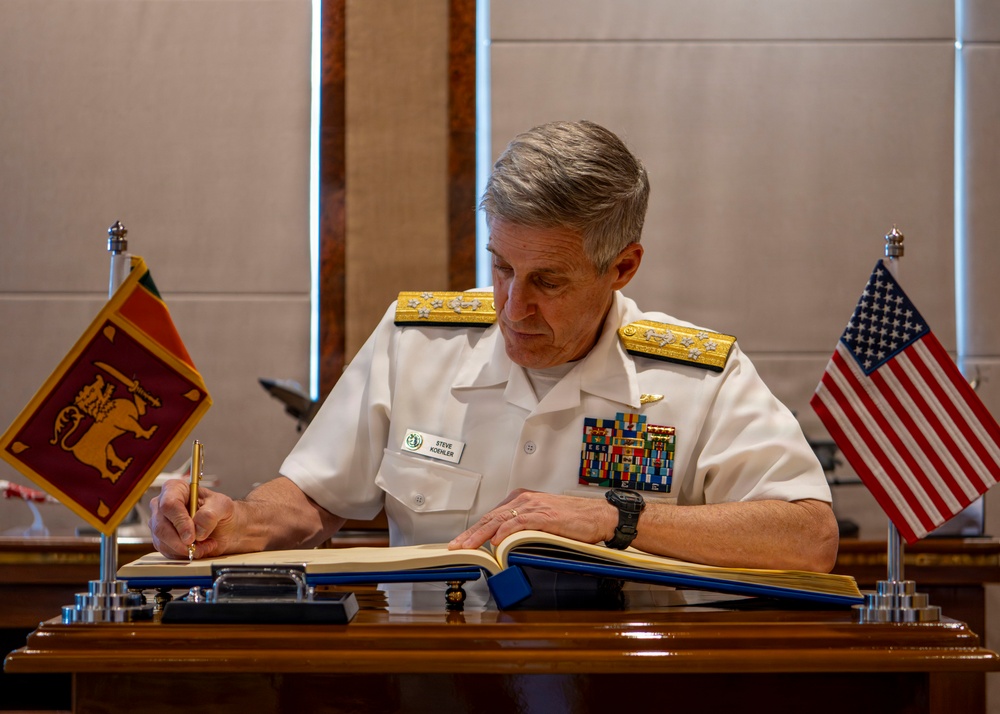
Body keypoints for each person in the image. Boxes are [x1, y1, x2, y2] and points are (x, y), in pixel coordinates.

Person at [151, 120, 839, 574]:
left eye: (548, 281)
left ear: (623, 267)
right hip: (427, 682)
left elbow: (808, 537)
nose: (512, 308)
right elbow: (313, 498)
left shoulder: (697, 376)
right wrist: (234, 522)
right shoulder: (416, 343)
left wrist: (613, 517)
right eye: (502, 267)